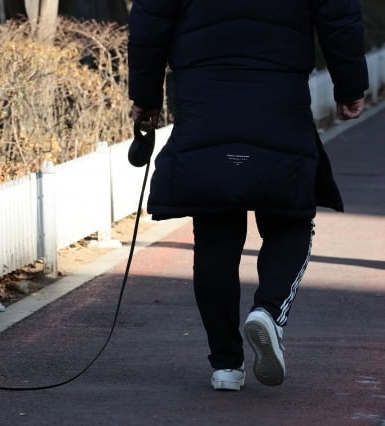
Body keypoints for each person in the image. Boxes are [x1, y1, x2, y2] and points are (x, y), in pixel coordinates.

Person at [128, 0, 368, 390]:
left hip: (204, 99)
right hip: (279, 99)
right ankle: (268, 313)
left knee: (214, 233)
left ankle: (225, 365)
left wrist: (146, 97)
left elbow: (149, 24)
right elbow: (339, 16)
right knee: (290, 218)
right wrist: (350, 85)